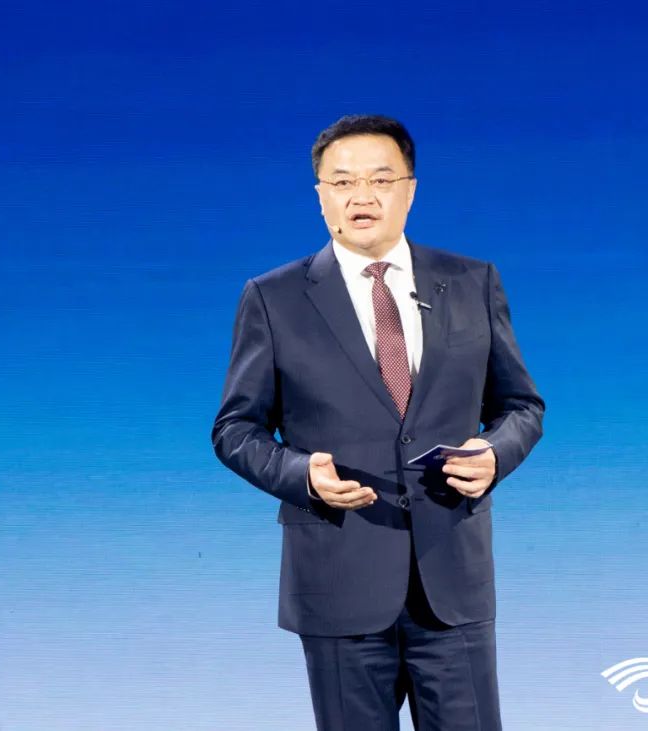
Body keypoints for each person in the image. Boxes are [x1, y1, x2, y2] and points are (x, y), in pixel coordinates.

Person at [212, 114, 544, 730]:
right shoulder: (273, 298)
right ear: (320, 196)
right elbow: (235, 429)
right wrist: (300, 475)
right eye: (342, 182)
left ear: (410, 190)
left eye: (380, 179)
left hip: (452, 580)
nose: (361, 196)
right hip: (339, 577)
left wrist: (495, 454)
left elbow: (521, 406)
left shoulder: (471, 282)